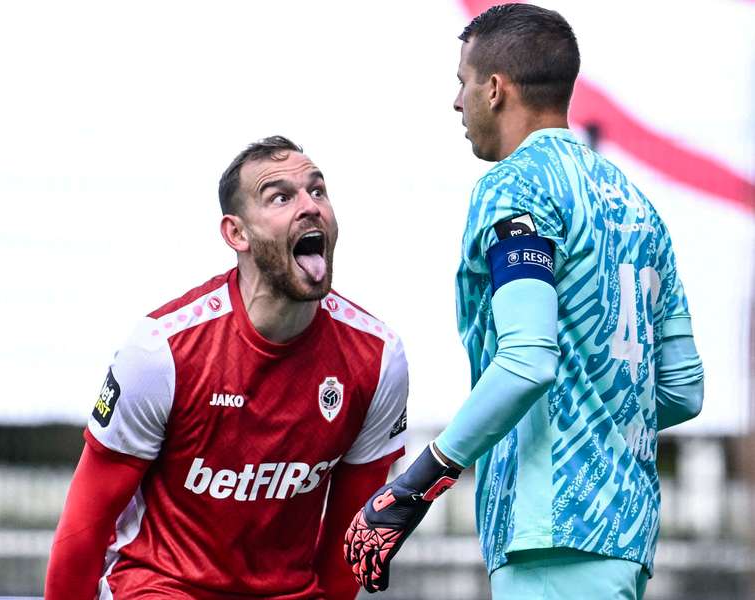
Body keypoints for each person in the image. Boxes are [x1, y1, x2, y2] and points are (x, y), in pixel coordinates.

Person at [344, 4, 704, 599]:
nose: (456, 103)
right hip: (626, 538)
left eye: (461, 83)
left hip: (549, 533)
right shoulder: (639, 205)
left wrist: (413, 485)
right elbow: (681, 391)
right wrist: (592, 420)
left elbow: (526, 361)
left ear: (493, 88)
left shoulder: (518, 186)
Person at [44, 135, 409, 600]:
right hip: (161, 587)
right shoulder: (162, 350)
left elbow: (347, 543)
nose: (310, 206)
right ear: (237, 234)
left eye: (317, 191)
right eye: (281, 197)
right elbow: (84, 525)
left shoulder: (378, 359)